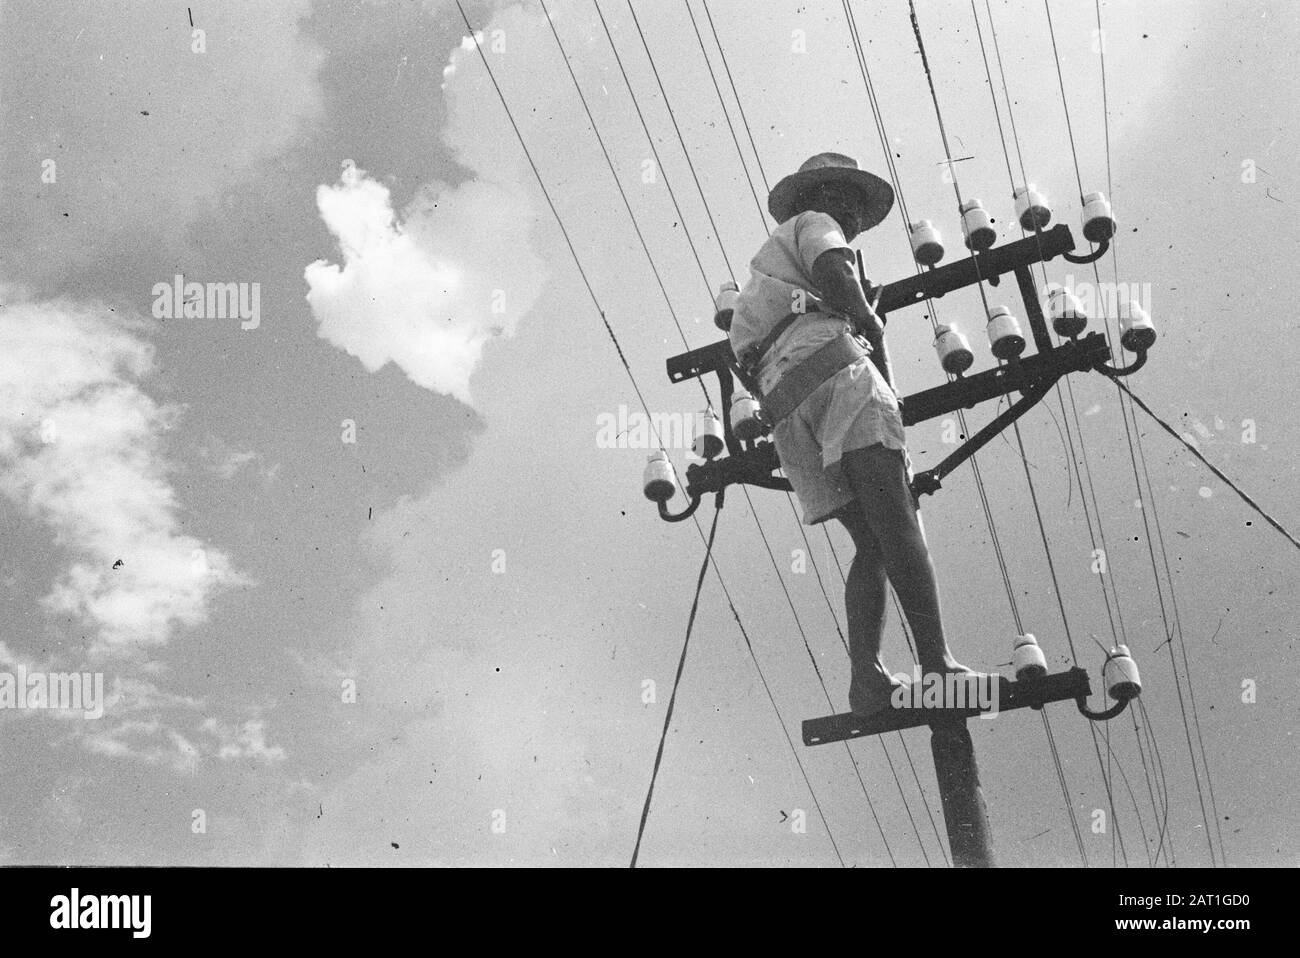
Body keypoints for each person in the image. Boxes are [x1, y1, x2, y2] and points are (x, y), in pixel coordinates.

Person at [727, 152, 975, 716]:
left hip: (788, 410)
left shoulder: (764, 269)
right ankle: (938, 665)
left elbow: (742, 355)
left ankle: (867, 678)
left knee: (872, 544)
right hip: (838, 376)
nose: (859, 216)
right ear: (829, 195)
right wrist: (867, 315)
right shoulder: (819, 226)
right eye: (854, 203)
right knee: (898, 519)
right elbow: (834, 275)